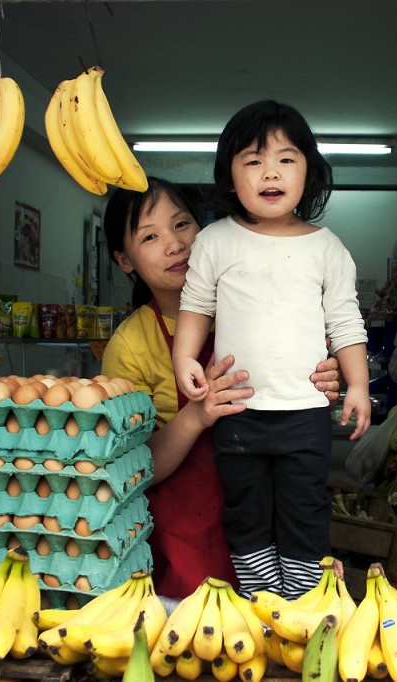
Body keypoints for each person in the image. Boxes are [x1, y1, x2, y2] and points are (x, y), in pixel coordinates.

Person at [100, 177, 341, 599]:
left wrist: (323, 378)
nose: (175, 245)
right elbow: (131, 471)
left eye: (182, 225)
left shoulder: (268, 309)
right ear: (125, 260)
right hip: (188, 548)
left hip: (278, 538)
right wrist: (197, 414)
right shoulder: (130, 346)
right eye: (150, 237)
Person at [172, 100, 371, 598]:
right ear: (230, 176)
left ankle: (302, 603)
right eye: (253, 161)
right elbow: (196, 306)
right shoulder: (215, 241)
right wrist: (183, 359)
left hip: (304, 413)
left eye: (286, 159)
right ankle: (262, 602)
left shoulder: (328, 248)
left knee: (304, 509)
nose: (270, 173)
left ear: (309, 171)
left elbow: (346, 321)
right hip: (237, 411)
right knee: (247, 509)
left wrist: (360, 385)